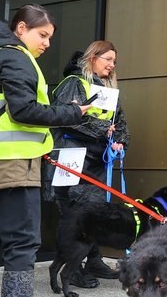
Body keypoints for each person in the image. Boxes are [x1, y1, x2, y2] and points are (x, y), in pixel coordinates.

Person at [0, 5, 90, 297]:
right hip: (12, 166)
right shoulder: (15, 57)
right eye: (42, 35)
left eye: (49, 37)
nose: (47, 43)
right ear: (21, 29)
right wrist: (72, 113)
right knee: (22, 244)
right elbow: (23, 111)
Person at [49, 41, 131, 283]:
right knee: (76, 214)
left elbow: (119, 122)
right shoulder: (73, 83)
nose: (112, 65)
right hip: (72, 158)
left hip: (96, 161)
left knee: (94, 213)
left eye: (114, 61)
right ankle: (72, 269)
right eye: (108, 59)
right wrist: (104, 130)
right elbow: (65, 117)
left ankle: (93, 261)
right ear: (92, 58)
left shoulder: (107, 88)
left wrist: (120, 141)